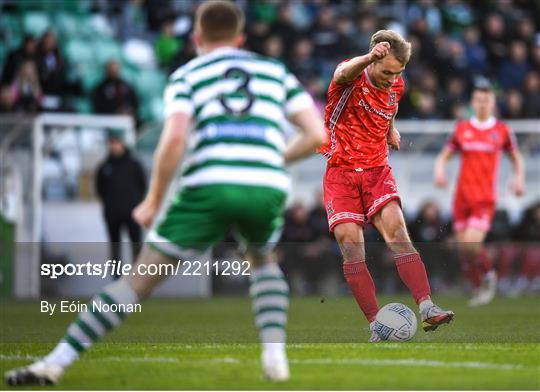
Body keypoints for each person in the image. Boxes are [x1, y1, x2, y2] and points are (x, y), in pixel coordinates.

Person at [5, 0, 326, 385]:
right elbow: (316, 135)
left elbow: (174, 138)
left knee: (139, 280)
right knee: (263, 262)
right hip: (267, 185)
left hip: (210, 183)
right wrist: (273, 159)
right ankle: (275, 356)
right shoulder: (274, 71)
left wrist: (154, 198)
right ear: (241, 39)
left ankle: (55, 363)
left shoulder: (189, 74)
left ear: (196, 37)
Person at [318, 29, 454, 343]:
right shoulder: (351, 78)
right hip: (341, 172)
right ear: (372, 61)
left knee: (398, 233)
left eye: (398, 73)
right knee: (352, 247)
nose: (391, 79)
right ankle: (375, 325)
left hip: (377, 170)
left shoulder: (396, 84)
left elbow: (389, 105)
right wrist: (367, 58)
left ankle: (427, 307)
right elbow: (342, 72)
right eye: (386, 71)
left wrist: (391, 129)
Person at [434, 80, 524, 306]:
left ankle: (489, 276)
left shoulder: (501, 130)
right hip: (461, 197)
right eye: (479, 100)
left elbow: (516, 158)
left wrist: (518, 178)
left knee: (472, 244)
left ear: (493, 103)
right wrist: (440, 172)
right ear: (473, 103)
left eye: (487, 100)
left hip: (485, 197)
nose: (483, 104)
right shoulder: (462, 128)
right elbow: (444, 155)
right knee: (464, 250)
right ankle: (478, 288)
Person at [96, 130, 147, 279]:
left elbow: (142, 186)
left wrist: (135, 204)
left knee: (136, 246)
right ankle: (116, 280)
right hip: (112, 215)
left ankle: (138, 281)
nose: (114, 146)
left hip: (133, 214)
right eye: (111, 143)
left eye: (116, 142)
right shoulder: (104, 167)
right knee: (115, 248)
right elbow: (100, 190)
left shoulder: (134, 165)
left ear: (122, 143)